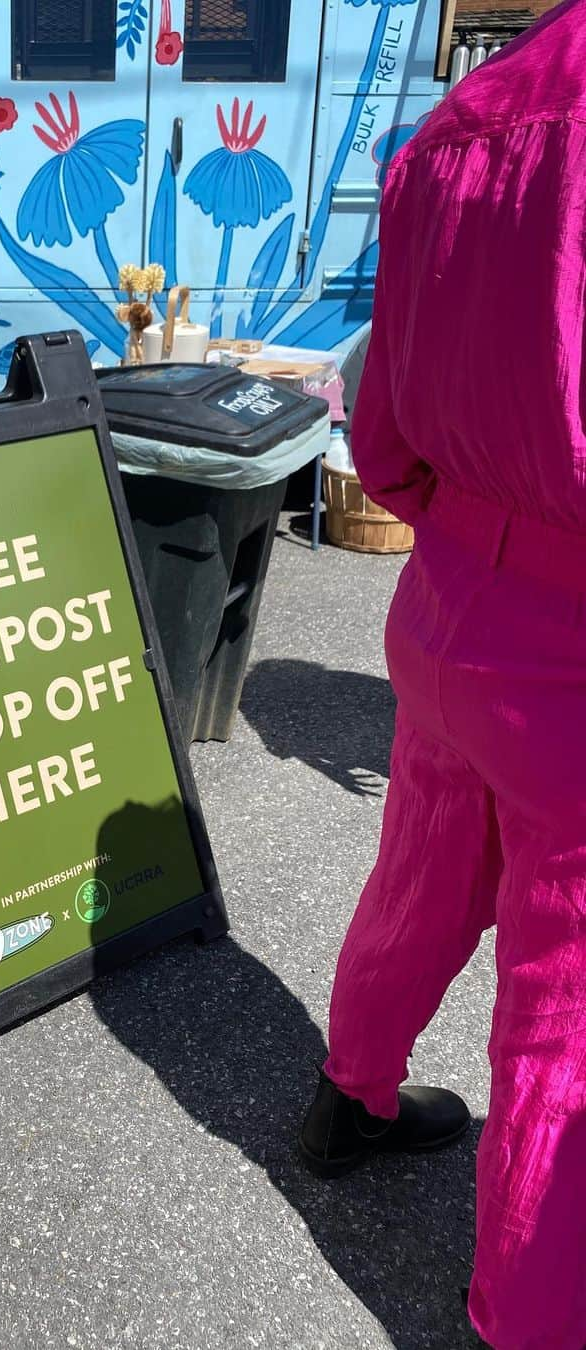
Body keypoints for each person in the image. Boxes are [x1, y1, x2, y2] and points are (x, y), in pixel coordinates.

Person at [297, 3, 586, 1347]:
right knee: (565, 1018)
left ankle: (349, 1093)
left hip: (452, 587)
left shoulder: (455, 132)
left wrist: (461, 533)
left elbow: (385, 422)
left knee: (420, 869)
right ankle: (518, 1320)